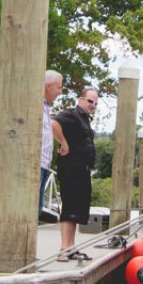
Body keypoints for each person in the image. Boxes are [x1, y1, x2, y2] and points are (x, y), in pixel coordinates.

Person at [54, 86, 100, 258]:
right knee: (69, 208)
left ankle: (71, 247)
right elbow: (53, 123)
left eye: (95, 103)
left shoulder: (85, 120)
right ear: (80, 99)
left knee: (77, 210)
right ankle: (64, 249)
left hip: (82, 170)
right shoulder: (71, 114)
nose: (92, 105)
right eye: (89, 101)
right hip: (71, 169)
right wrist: (64, 143)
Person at [42, 70, 68, 214]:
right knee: (32, 208)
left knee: (37, 208)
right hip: (35, 163)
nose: (60, 92)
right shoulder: (35, 106)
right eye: (58, 87)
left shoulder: (46, 106)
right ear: (47, 86)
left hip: (44, 163)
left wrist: (62, 142)